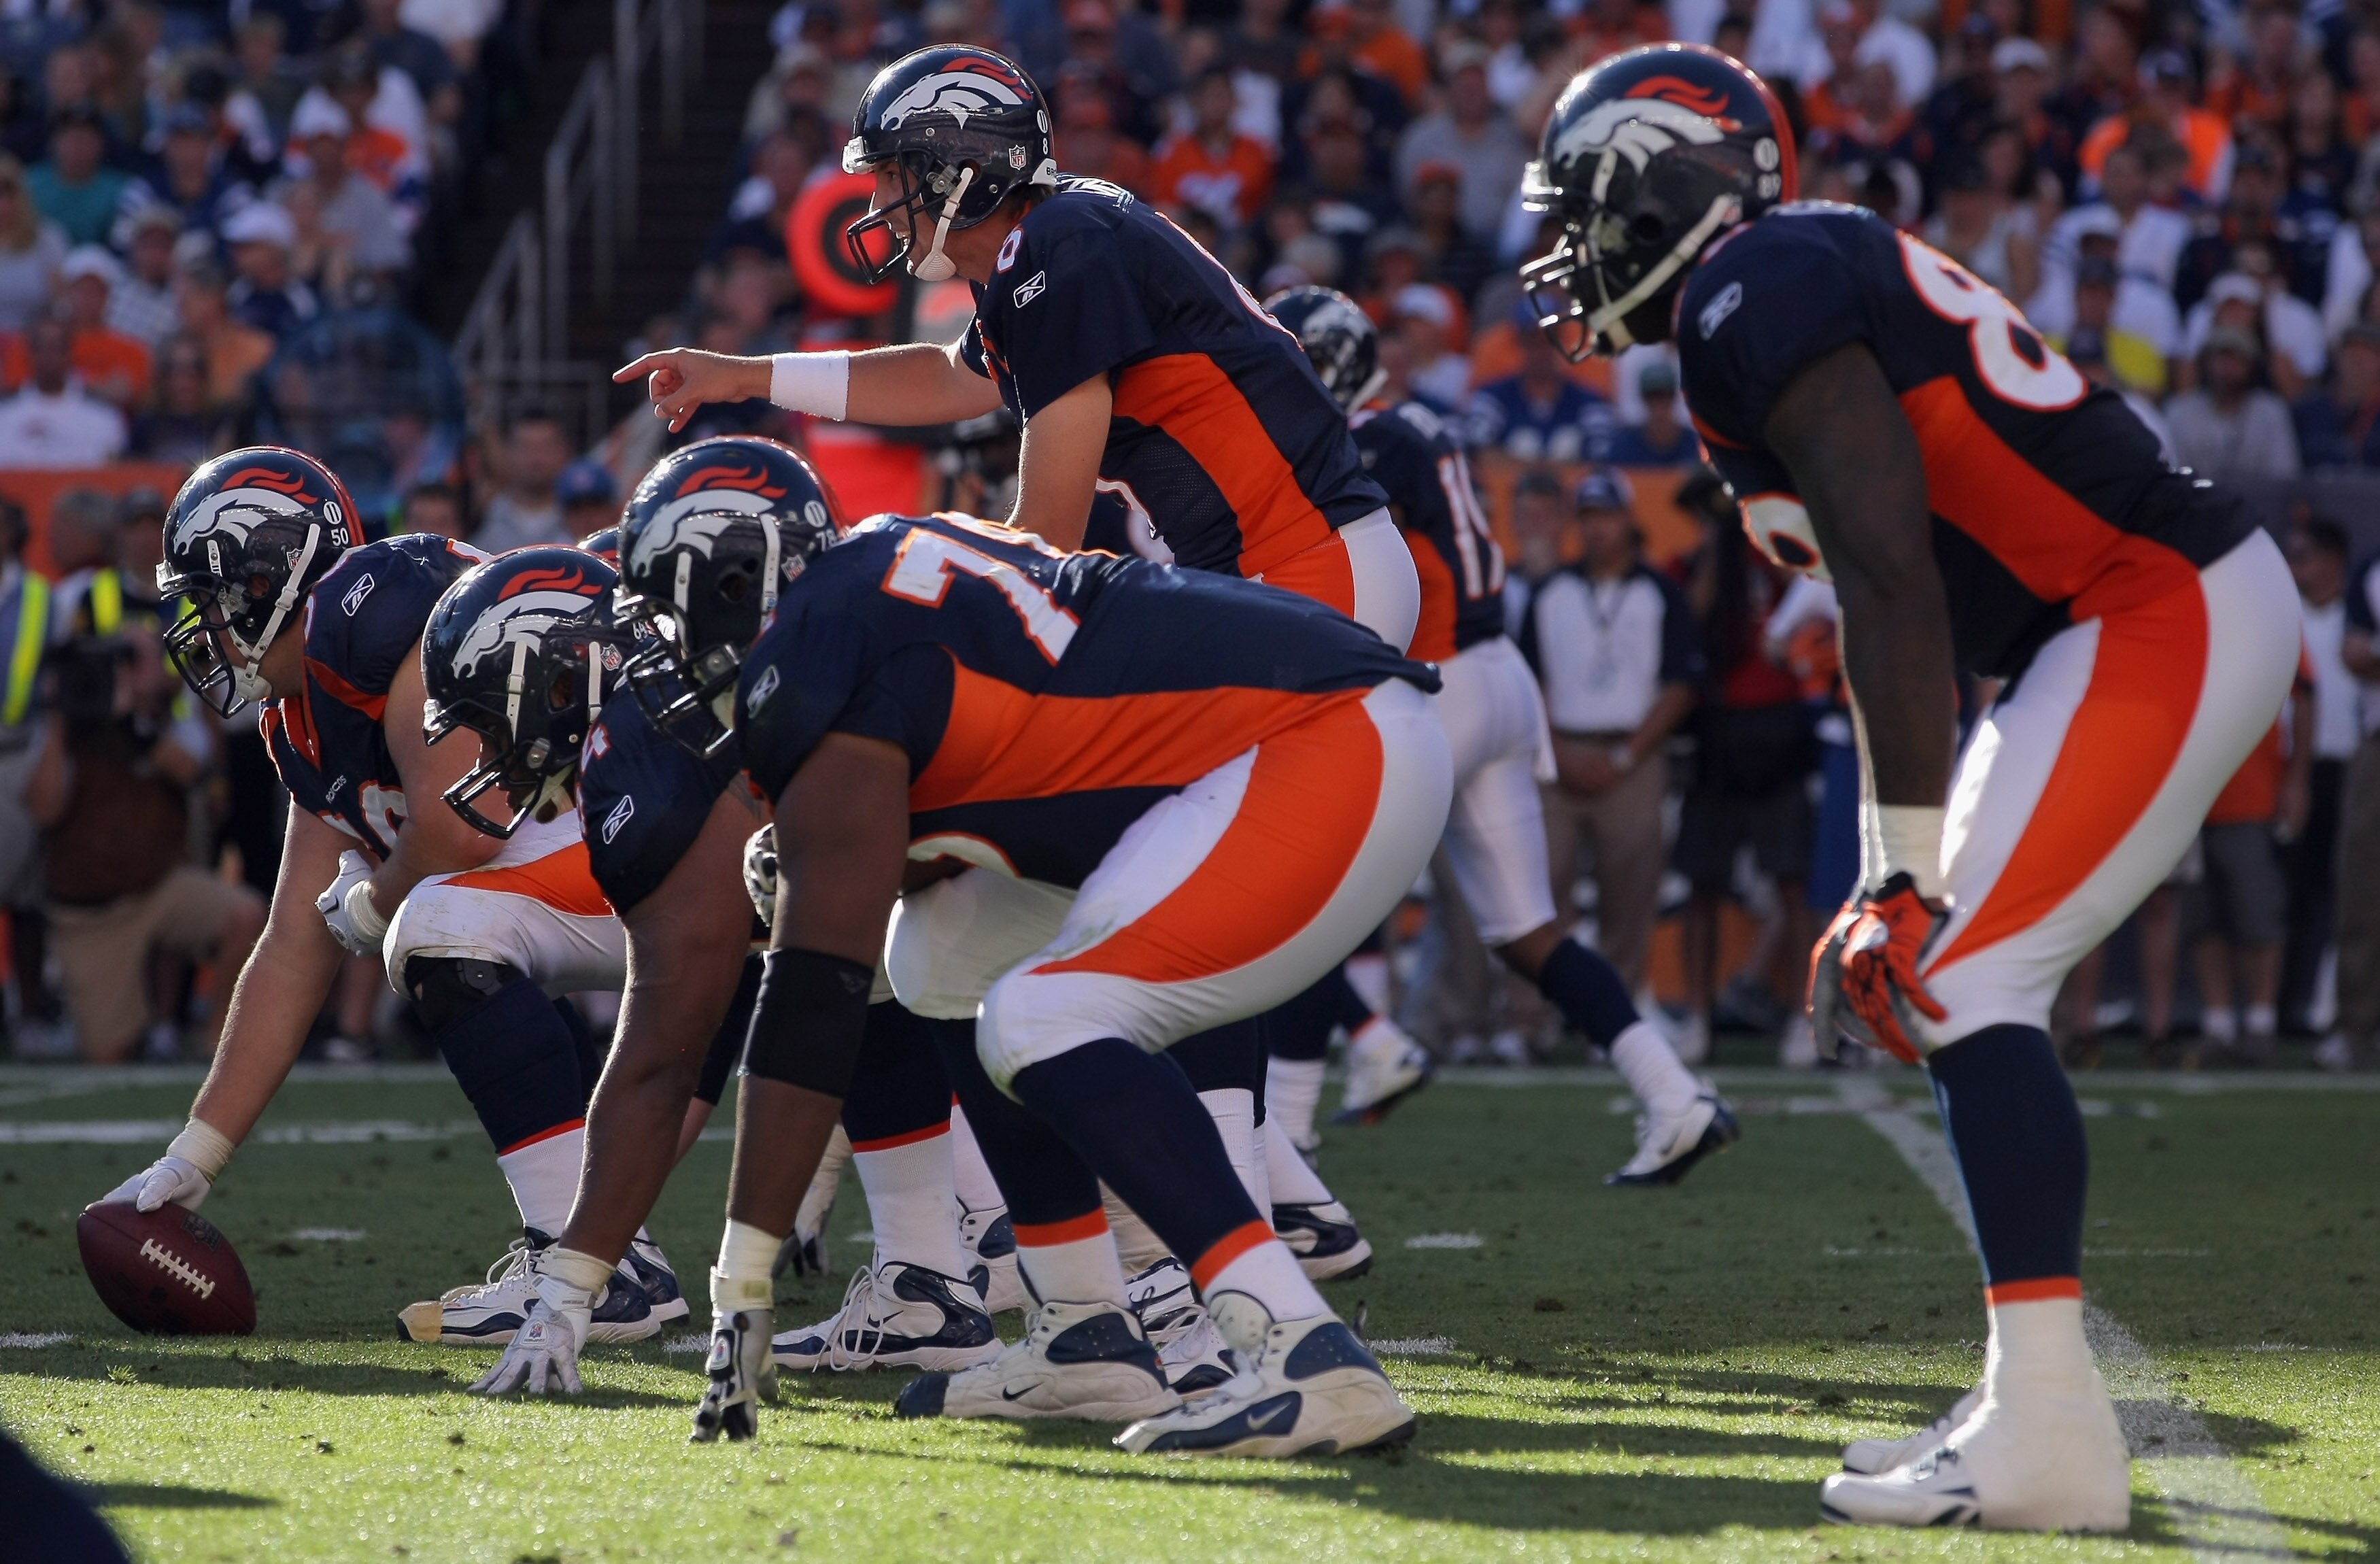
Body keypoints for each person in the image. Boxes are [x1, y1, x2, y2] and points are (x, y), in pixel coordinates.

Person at [1525, 44, 2298, 1531]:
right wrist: (1903, 869)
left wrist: (1898, 869)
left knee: (1958, 971)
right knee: (1944, 975)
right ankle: (2033, 1402)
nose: (1573, 244)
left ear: (1666, 187)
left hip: (2150, 604)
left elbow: (1892, 581)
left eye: (1590, 204)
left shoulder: (1749, 285)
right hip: (2093, 627)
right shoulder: (1751, 297)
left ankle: (2051, 1432)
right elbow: (1904, 588)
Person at [666, 506, 1442, 1455]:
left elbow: (810, 998)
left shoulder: (825, 652)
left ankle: (1301, 1351)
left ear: (733, 590)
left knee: (1040, 1018)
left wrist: (741, 1281)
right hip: (1305, 732)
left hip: (1318, 744)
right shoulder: (887, 588)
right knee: (940, 956)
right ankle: (1083, 1334)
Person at [95, 447, 684, 1348]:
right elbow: (292, 944)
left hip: (675, 858)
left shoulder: (380, 628)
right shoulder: (302, 714)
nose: (200, 627)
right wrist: (194, 1155)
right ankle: (609, 1254)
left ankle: (586, 1261)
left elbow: (462, 827)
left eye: (210, 599)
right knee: (452, 925)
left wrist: (376, 898)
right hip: (609, 877)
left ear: (267, 583)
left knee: (435, 924)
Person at [615, 45, 1418, 657]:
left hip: (1304, 569)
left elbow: (1046, 531)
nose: (877, 201)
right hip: (1275, 570)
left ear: (958, 171)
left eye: (891, 174)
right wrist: (745, 377)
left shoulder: (1055, 245)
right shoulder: (1047, 241)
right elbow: (943, 380)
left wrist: (894, 583)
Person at [1271, 288, 1733, 1187]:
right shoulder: (1413, 426)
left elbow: (1344, 570)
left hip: (1443, 682)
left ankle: (1299, 1139)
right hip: (1498, 682)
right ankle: (1674, 1095)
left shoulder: (1366, 440)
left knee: (1299, 901)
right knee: (1526, 931)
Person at [31, 490, 266, 1063]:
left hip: (157, 875)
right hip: (93, 906)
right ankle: (89, 1012)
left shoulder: (164, 719)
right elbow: (43, 807)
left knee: (239, 909)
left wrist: (145, 714)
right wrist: (69, 712)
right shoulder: (81, 612)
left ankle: (198, 1034)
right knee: (109, 1052)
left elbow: (192, 755)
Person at [1517, 466, 1703, 1013]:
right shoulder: (1550, 592)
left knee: (1630, 891)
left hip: (1633, 755)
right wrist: (1556, 749)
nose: (1598, 530)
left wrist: (1625, 756)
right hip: (1559, 751)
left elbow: (1682, 685)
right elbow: (1528, 681)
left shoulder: (1660, 592)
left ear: (1628, 519)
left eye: (1607, 517)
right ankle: (1532, 1018)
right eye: (1588, 518)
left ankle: (1616, 1013)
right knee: (1538, 889)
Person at [2286, 520, 2356, 1048]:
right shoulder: (2282, 616)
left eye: (2304, 556)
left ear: (2334, 559)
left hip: (2350, 770)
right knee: (2291, 896)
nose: (2295, 568)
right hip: (2292, 772)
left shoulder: (2356, 619)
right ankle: (2285, 1008)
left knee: (2351, 896)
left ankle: (2333, 1007)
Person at [2164, 329, 2301, 482]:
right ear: (2205, 364)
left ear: (2252, 366)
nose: (2227, 369)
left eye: (2236, 360)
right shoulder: (2181, 411)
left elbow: (2284, 476)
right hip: (2195, 496)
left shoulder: (2271, 411)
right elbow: (2175, 475)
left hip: (2256, 496)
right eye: (2220, 360)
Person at [0, 316, 126, 467]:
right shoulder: (5, 414)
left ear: (70, 354)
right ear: (29, 354)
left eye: (56, 348)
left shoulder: (104, 417)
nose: (48, 356)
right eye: (41, 348)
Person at [471, 410, 571, 554]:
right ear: (508, 452)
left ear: (564, 451)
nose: (536, 459)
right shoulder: (483, 516)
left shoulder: (581, 515)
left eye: (546, 447)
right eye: (526, 447)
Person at [0, 151, 63, 333]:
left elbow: (60, 304)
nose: (3, 205)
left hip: (34, 343)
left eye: (9, 195)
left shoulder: (48, 239)